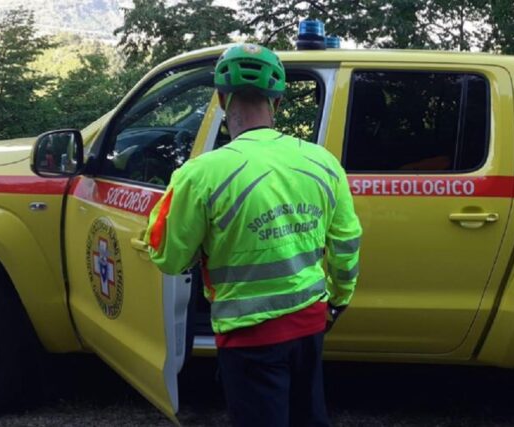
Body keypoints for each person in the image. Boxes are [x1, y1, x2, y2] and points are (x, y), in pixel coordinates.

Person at [144, 43, 362, 427]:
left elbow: (168, 257)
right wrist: (337, 301)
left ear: (222, 97)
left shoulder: (199, 174)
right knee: (309, 418)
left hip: (249, 335)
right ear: (275, 102)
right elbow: (346, 243)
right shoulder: (323, 162)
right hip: (311, 322)